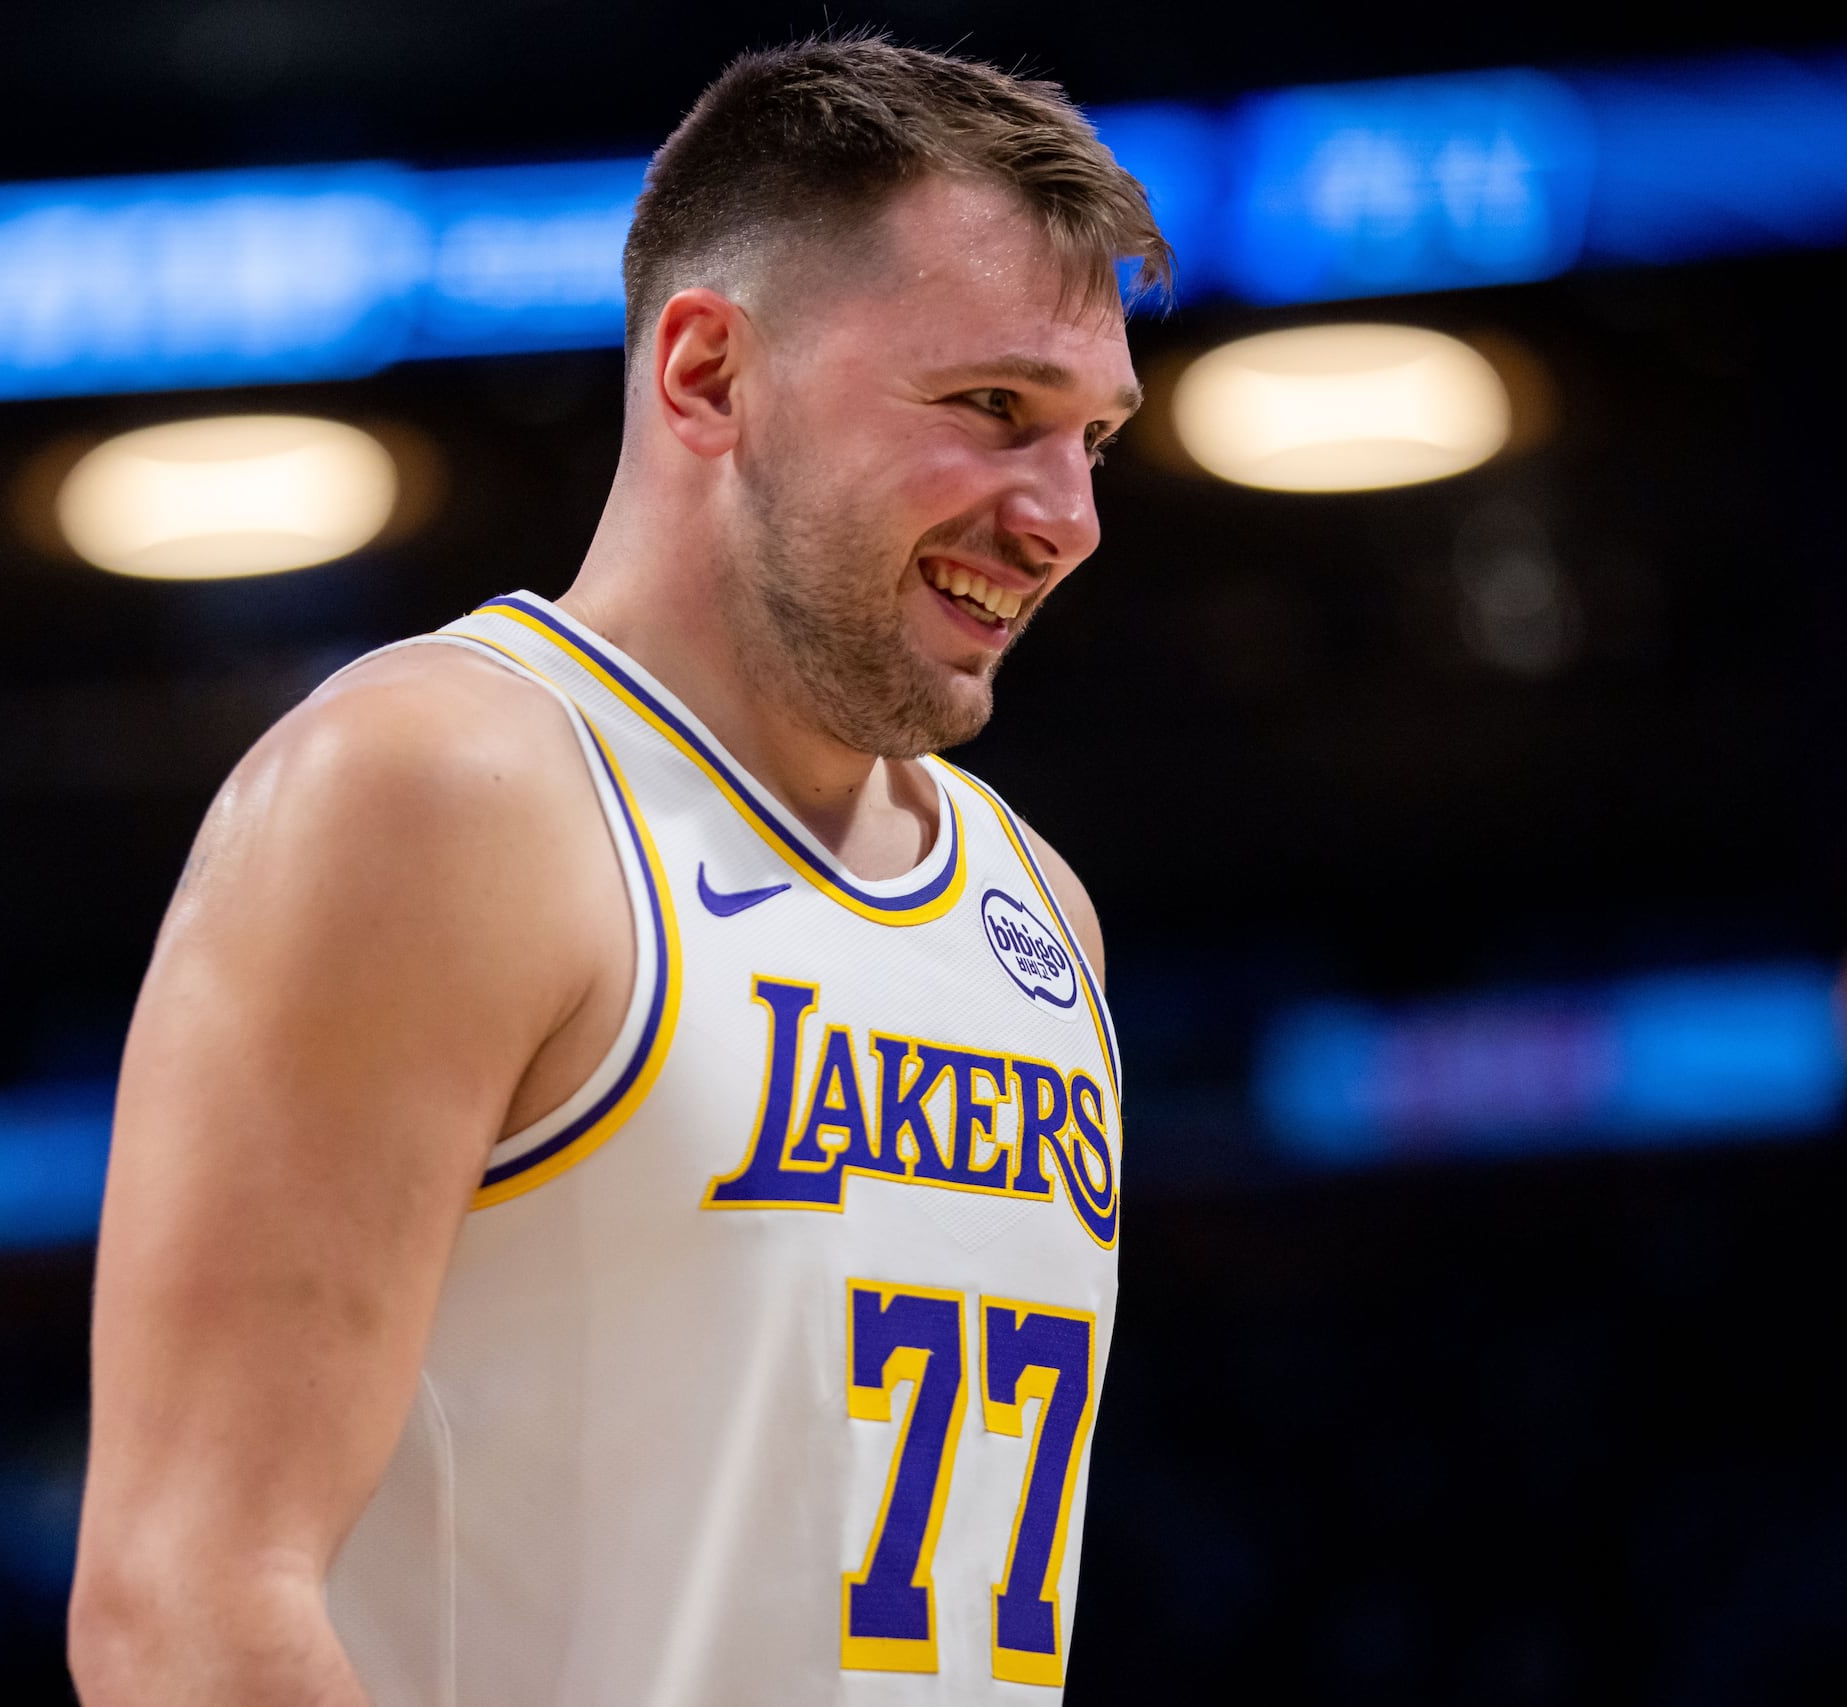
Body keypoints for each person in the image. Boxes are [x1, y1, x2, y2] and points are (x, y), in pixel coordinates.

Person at [68, 35, 1166, 1706]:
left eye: (1092, 435)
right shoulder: (443, 789)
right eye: (993, 410)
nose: (1065, 513)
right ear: (709, 373)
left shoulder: (1039, 909)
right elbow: (184, 1608)